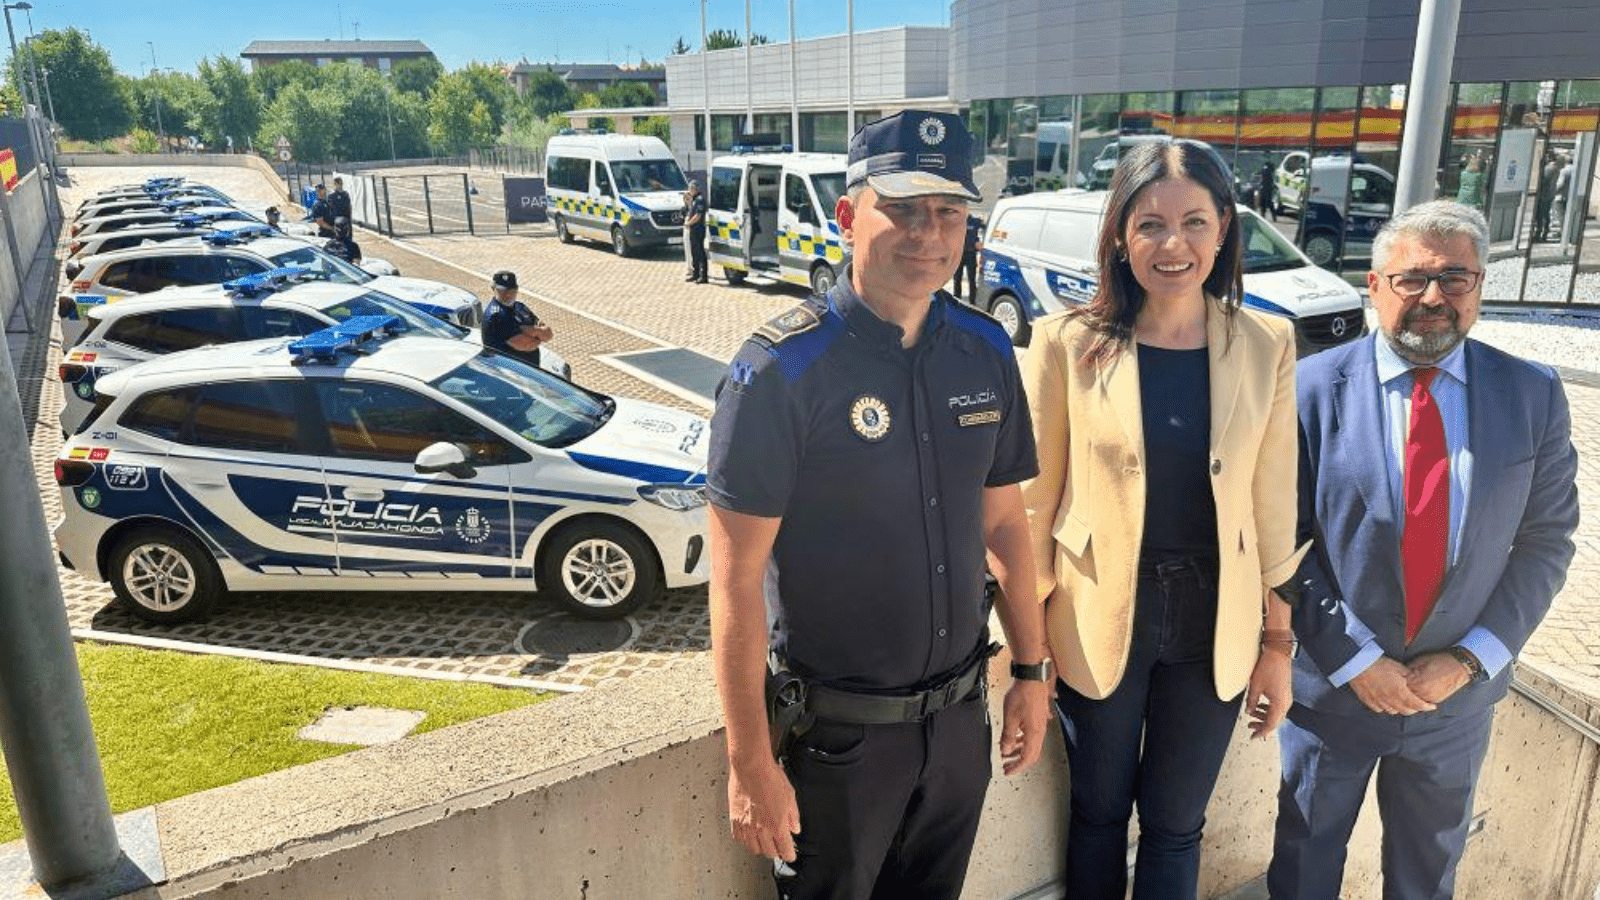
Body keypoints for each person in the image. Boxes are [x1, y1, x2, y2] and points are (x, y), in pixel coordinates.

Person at [707, 110, 1053, 900]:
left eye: (949, 212)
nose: (928, 233)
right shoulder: (780, 373)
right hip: (838, 748)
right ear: (847, 214)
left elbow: (1003, 524)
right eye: (902, 208)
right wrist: (749, 762)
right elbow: (733, 585)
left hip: (961, 726)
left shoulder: (986, 349)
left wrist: (1030, 670)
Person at [1019, 138, 1305, 900]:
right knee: (1099, 812)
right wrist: (1022, 648)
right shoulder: (1065, 343)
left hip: (1216, 618)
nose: (1172, 244)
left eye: (1195, 222)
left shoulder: (1266, 344)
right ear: (1119, 233)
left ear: (1224, 231)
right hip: (1097, 609)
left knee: (1178, 822)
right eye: (1150, 224)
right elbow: (1030, 505)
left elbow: (1274, 509)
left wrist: (1278, 643)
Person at [1268, 200, 1579, 900]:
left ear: (1479, 288)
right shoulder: (1308, 391)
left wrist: (1472, 659)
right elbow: (1282, 543)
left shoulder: (1533, 394)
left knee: (1425, 882)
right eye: (1411, 279)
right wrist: (1356, 659)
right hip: (1336, 699)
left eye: (1455, 278)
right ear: (1374, 287)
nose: (1433, 297)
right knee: (1302, 870)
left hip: (1456, 705)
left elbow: (1546, 541)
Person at [480, 271, 553, 370]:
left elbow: (548, 335)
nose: (508, 294)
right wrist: (537, 334)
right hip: (509, 373)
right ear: (493, 289)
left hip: (530, 370)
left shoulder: (520, 307)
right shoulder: (496, 315)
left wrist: (527, 330)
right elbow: (525, 344)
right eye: (502, 290)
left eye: (512, 290)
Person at [952, 211, 983, 300]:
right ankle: (956, 300)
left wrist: (979, 243)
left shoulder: (975, 221)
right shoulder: (956, 222)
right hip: (959, 254)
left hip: (971, 253)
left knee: (972, 280)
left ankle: (973, 301)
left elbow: (987, 228)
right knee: (957, 279)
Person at [1533, 149, 1561, 242]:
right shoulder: (1557, 168)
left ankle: (1539, 234)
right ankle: (1544, 233)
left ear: (1549, 157)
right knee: (1546, 214)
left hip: (1544, 195)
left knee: (1541, 215)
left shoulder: (1548, 168)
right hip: (1550, 194)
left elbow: (1543, 181)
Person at [684, 180, 708, 284]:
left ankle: (703, 276)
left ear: (694, 189)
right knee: (694, 252)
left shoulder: (700, 200)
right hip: (693, 229)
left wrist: (689, 223)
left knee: (700, 252)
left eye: (691, 189)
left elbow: (698, 216)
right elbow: (690, 211)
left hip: (698, 229)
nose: (689, 191)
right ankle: (696, 273)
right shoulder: (694, 200)